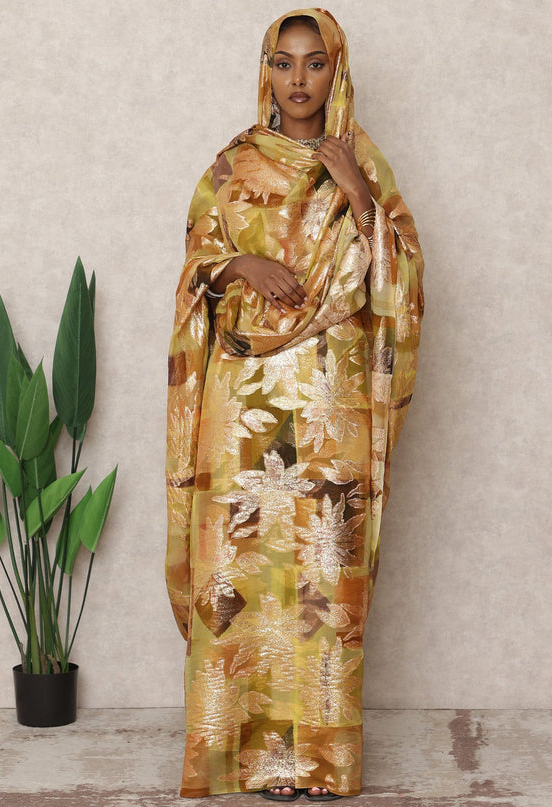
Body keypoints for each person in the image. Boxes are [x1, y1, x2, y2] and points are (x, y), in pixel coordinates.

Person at [165, 7, 424, 801]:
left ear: (335, 70)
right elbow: (195, 268)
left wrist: (356, 191)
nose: (298, 79)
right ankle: (235, 754)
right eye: (284, 63)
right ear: (266, 71)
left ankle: (314, 759)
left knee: (320, 570)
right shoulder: (232, 164)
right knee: (238, 564)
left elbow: (404, 280)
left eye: (314, 63)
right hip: (242, 399)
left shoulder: (363, 162)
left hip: (328, 399)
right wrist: (239, 264)